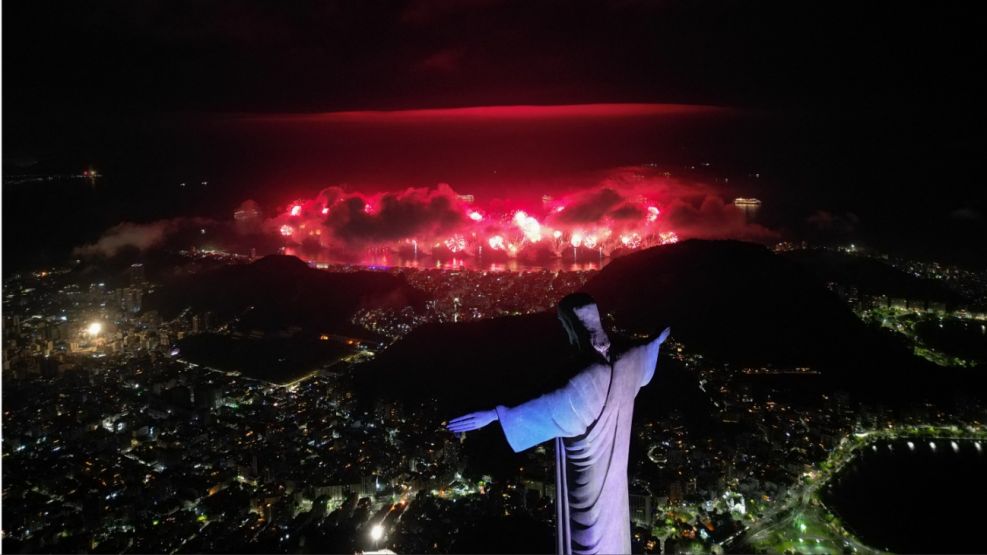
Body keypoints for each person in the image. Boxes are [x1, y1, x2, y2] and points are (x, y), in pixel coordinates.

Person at [447, 293, 670, 554]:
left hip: (586, 487)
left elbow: (544, 404)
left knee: (588, 541)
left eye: (565, 326)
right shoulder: (629, 360)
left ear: (572, 327)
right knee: (615, 533)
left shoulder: (581, 381)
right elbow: (646, 352)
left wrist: (494, 414)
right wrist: (655, 343)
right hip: (614, 483)